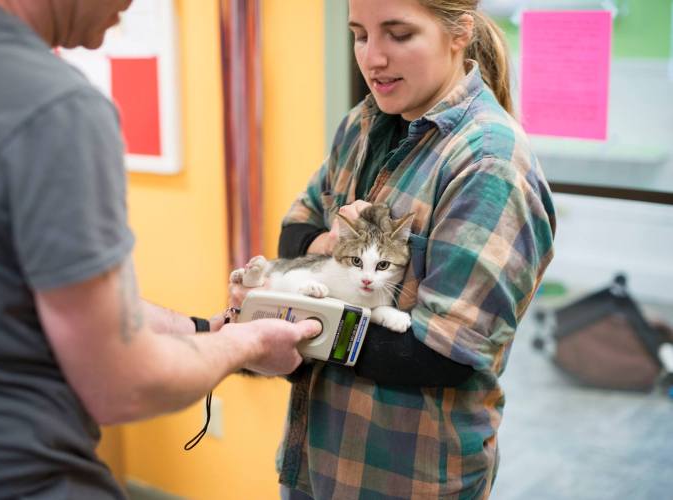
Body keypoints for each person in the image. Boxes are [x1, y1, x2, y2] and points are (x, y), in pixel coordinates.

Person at [0, 0, 320, 498]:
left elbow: (20, 292)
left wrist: (201, 329)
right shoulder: (54, 106)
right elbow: (123, 384)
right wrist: (252, 343)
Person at [231, 0, 556, 498]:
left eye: (398, 35)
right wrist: (332, 244)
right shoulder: (363, 123)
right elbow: (294, 233)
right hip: (317, 460)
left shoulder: (489, 166)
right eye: (360, 35)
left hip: (404, 475)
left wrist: (299, 329)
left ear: (459, 33)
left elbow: (441, 355)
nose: (373, 58)